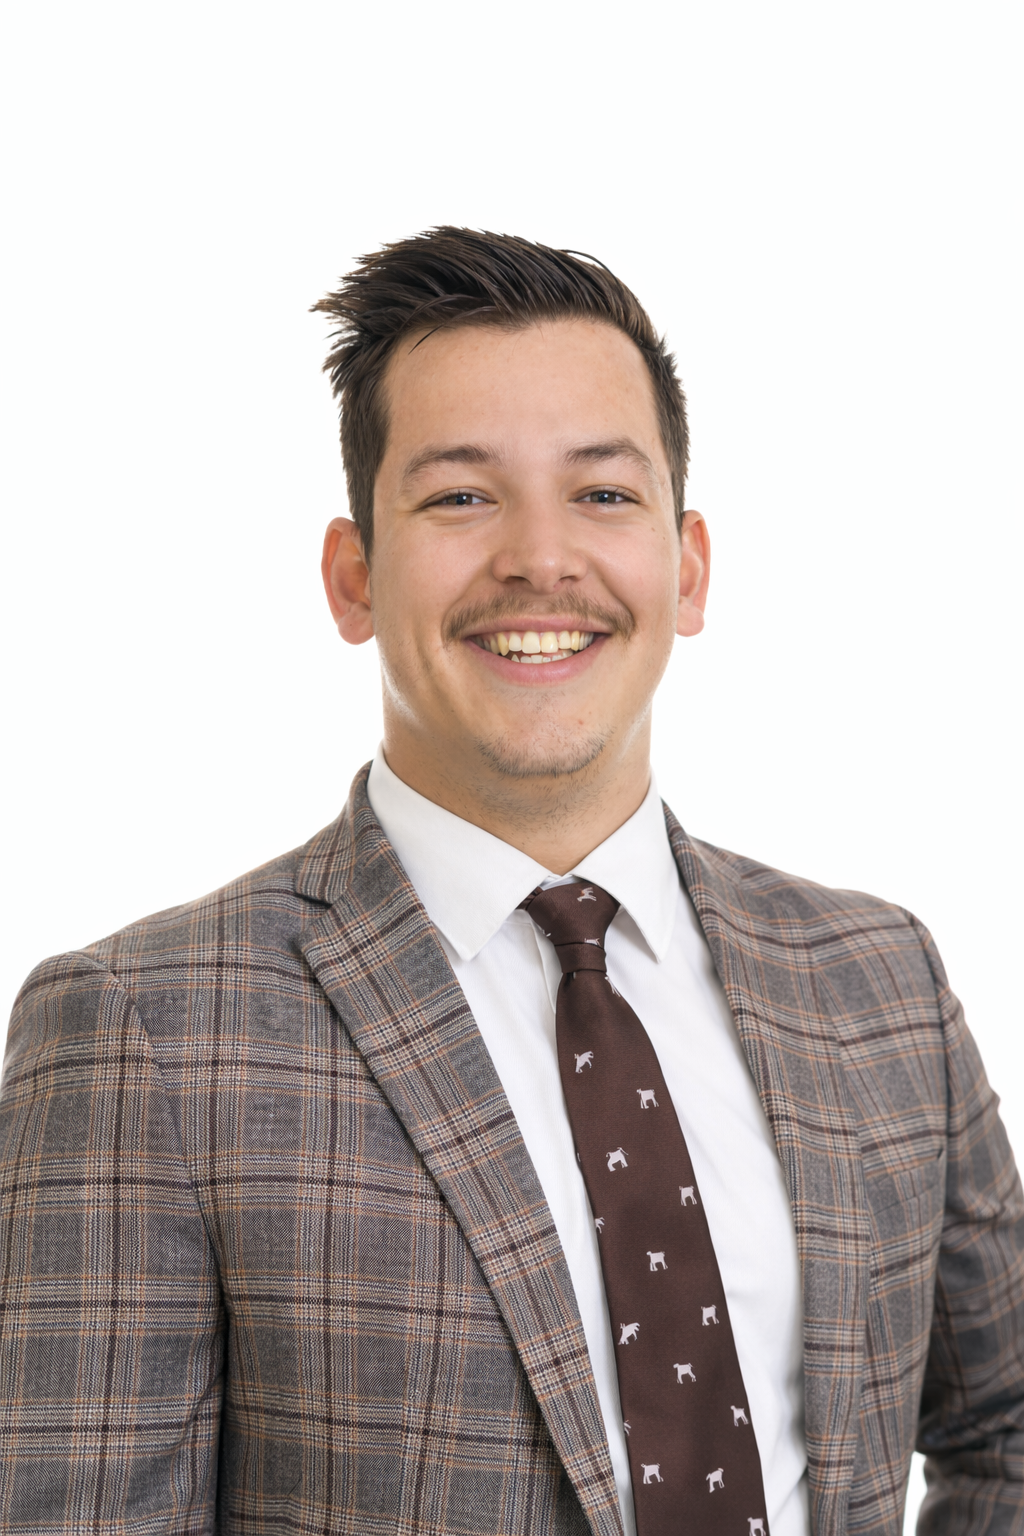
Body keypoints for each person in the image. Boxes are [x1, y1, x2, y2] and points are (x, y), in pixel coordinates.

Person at [1, 228, 1022, 1536]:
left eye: (602, 495)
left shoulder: (879, 980)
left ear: (688, 565)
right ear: (353, 574)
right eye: (461, 496)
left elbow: (1004, 1428)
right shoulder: (141, 1033)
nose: (543, 559)